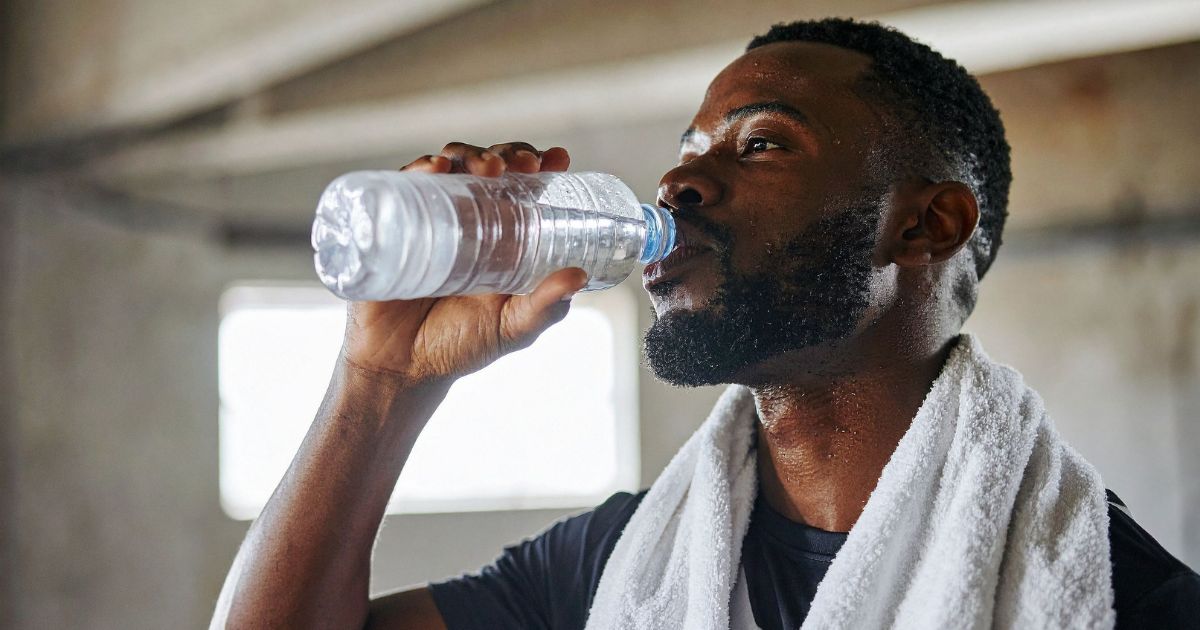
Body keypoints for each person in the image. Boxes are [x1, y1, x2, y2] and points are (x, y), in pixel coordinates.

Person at [210, 18, 1200, 630]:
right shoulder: (621, 565)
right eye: (687, 149)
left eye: (761, 144)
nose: (679, 180)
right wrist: (382, 381)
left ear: (926, 226)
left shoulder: (1114, 597)